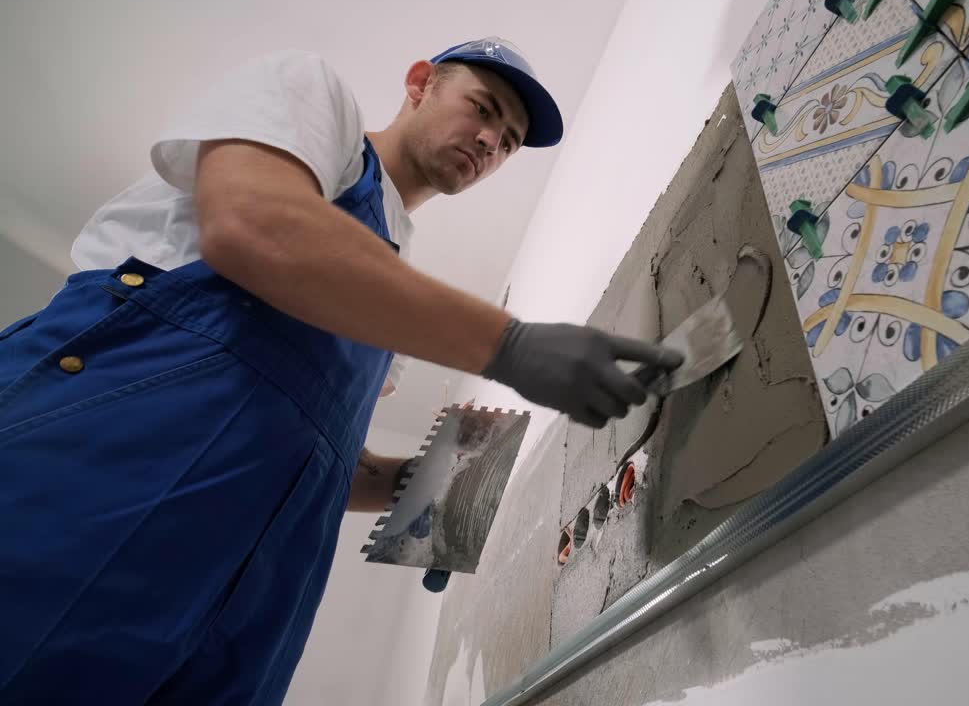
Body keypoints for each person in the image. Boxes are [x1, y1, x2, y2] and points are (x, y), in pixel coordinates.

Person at [0, 37, 682, 704]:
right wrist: (510, 346)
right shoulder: (310, 96)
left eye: (508, 143)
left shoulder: (387, 307)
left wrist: (428, 485)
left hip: (251, 599)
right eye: (483, 109)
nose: (489, 142)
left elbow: (315, 452)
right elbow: (252, 225)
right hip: (99, 477)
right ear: (420, 83)